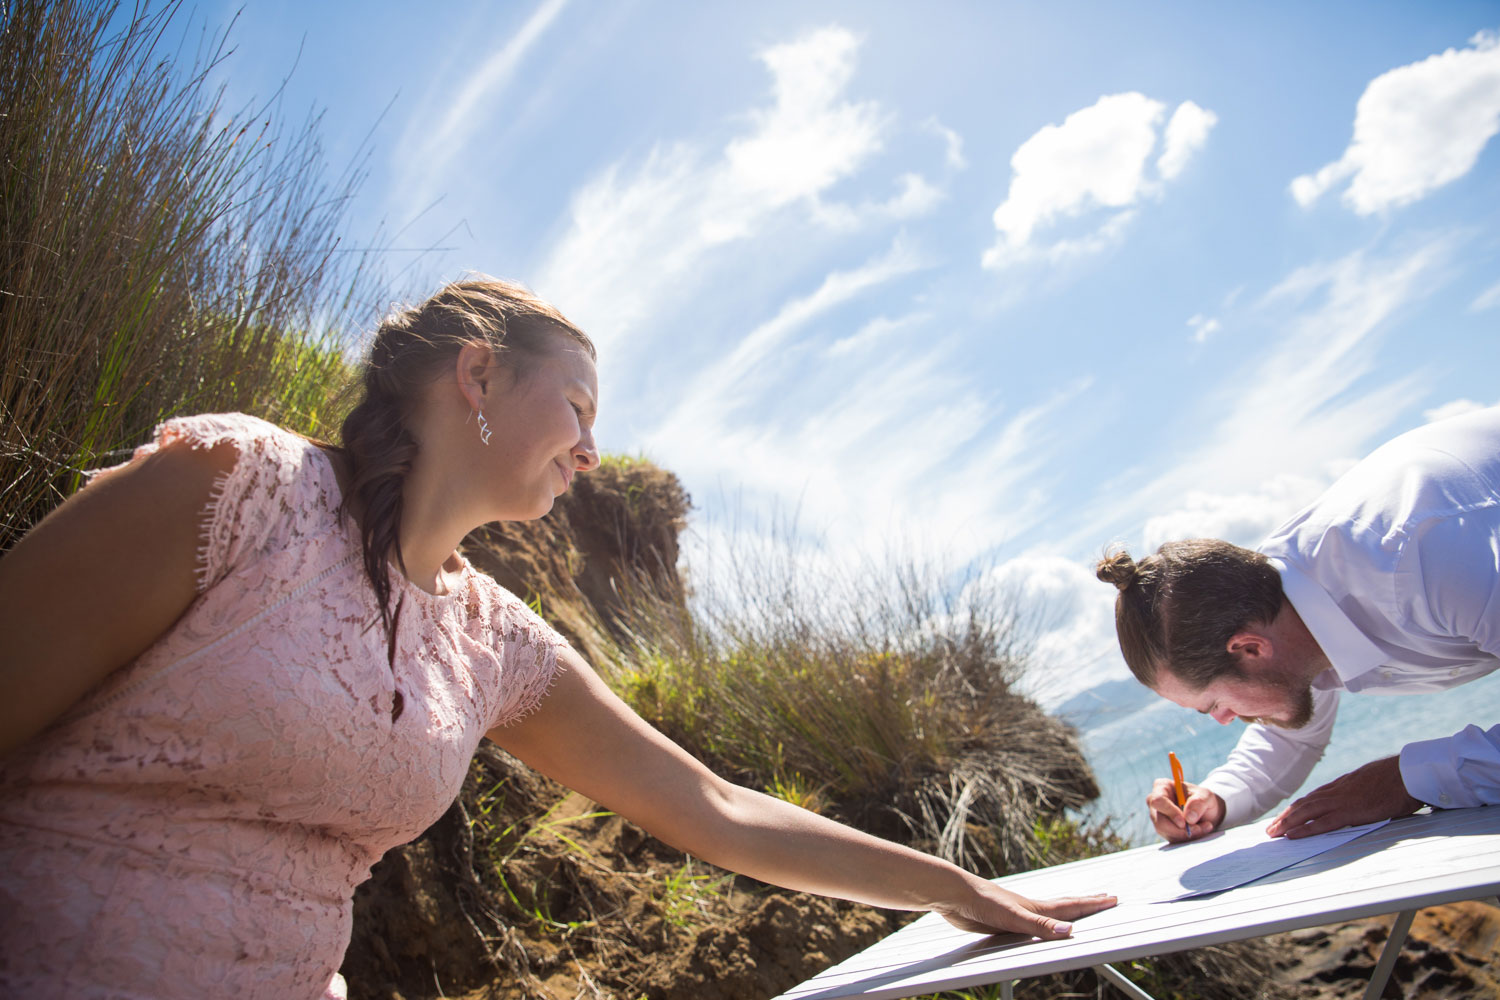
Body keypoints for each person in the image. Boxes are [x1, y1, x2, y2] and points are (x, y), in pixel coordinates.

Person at [0, 278, 1114, 998]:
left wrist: (954, 888)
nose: (590, 449)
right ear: (477, 375)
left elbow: (715, 808)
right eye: (578, 408)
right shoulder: (236, 487)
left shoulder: (493, 641)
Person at [1096, 406, 1500, 845]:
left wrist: (1405, 780)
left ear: (1249, 649)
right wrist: (1214, 800)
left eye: (1213, 705)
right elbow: (1291, 736)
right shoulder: (1280, 604)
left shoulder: (1422, 557)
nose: (1226, 720)